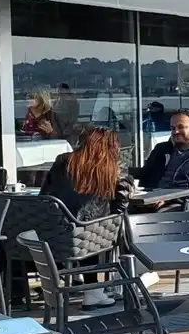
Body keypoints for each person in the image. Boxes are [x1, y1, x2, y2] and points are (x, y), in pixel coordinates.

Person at [41, 127, 137, 307]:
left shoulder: (63, 160)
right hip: (90, 236)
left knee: (88, 227)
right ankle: (95, 289)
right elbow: (121, 204)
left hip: (53, 231)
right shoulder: (113, 167)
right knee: (103, 227)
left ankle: (74, 282)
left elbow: (45, 194)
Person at [137, 109, 189, 211]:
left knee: (156, 216)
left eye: (181, 127)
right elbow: (145, 175)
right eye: (172, 128)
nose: (176, 132)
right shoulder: (162, 149)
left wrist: (168, 198)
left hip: (183, 203)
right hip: (152, 198)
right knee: (122, 214)